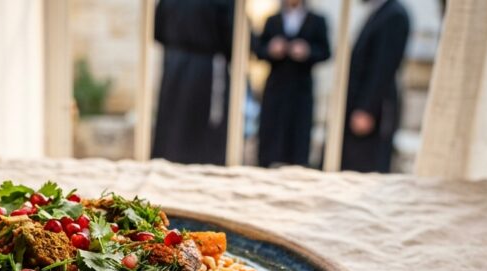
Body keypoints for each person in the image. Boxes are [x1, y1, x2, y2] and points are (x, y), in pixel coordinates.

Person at [152, 0, 234, 165]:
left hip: (175, 62)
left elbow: (157, 30)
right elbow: (231, 36)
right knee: (203, 134)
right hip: (206, 66)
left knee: (173, 128)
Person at [253, 0, 330, 167]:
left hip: (301, 88)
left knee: (299, 133)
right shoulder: (272, 20)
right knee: (271, 133)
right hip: (276, 87)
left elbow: (325, 51)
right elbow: (258, 49)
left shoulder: (317, 20)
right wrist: (271, 50)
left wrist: (307, 51)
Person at [342, 0, 410, 172]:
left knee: (366, 167)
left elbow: (383, 67)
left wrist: (367, 109)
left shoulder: (394, 15)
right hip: (360, 104)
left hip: (373, 110)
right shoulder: (379, 12)